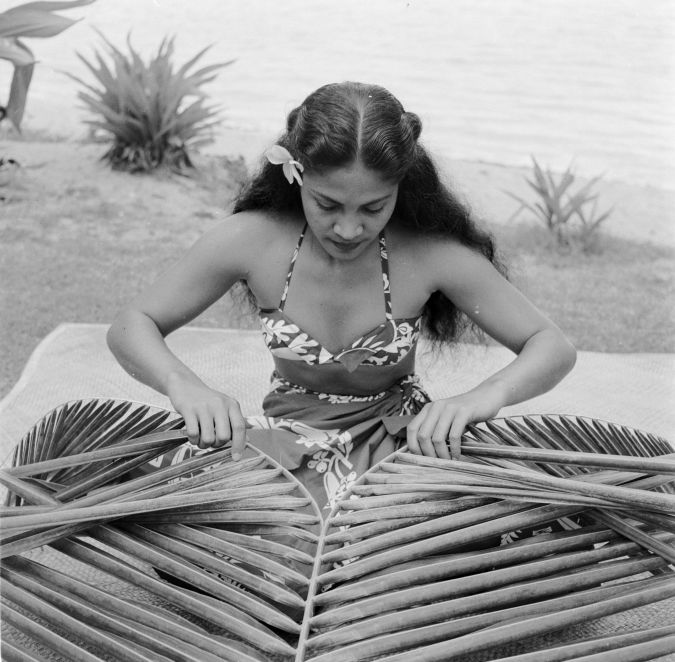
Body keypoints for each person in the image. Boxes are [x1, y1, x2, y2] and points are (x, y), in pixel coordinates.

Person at [107, 81, 576, 514]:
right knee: (152, 496)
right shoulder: (253, 240)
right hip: (283, 450)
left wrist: (481, 397)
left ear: (400, 187)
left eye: (374, 207)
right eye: (327, 204)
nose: (349, 229)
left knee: (508, 510)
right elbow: (133, 323)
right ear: (296, 176)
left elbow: (551, 345)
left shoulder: (427, 253)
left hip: (401, 456)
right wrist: (184, 384)